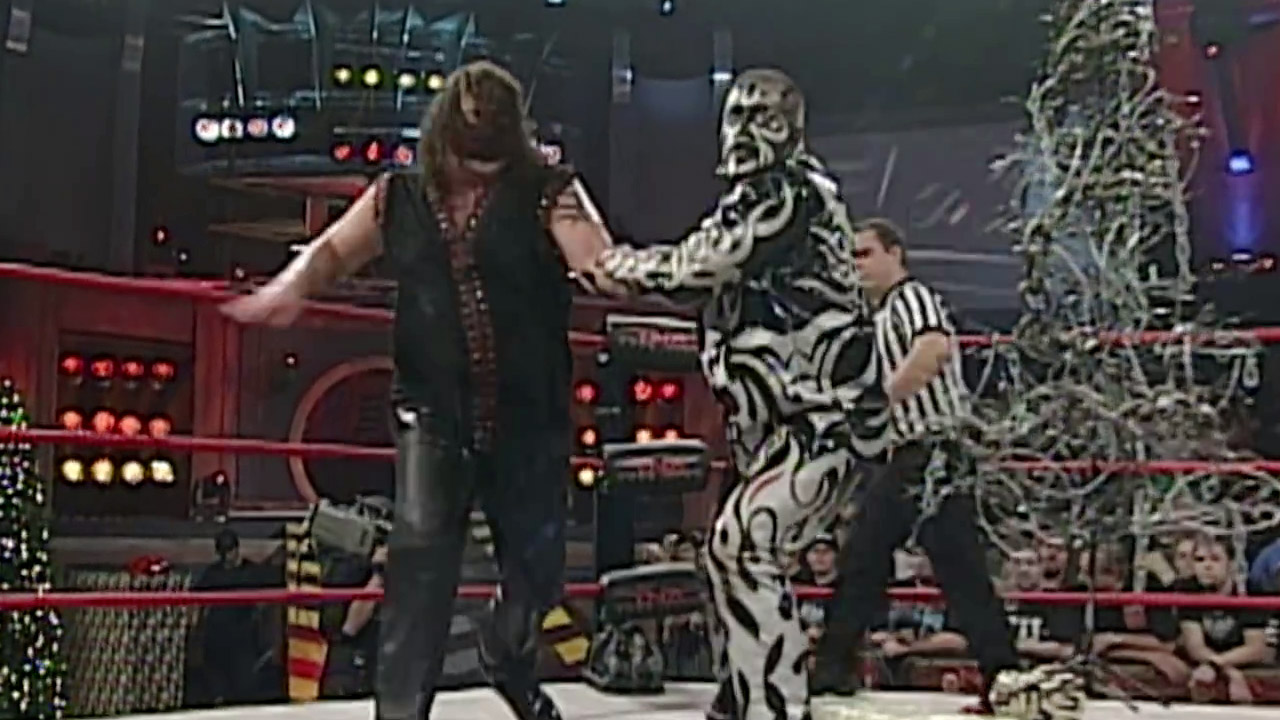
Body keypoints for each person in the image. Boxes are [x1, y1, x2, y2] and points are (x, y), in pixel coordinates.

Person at [222, 60, 613, 720]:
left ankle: (506, 651)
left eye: (491, 158)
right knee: (419, 562)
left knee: (538, 571)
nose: (479, 175)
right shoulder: (396, 197)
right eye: (469, 156)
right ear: (444, 139)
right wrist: (287, 289)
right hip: (431, 411)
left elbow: (596, 256)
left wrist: (647, 271)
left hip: (529, 416)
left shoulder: (550, 191)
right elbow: (333, 251)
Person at [590, 68, 890, 720]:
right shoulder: (752, 199)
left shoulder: (789, 195)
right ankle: (741, 696)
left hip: (824, 419)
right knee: (732, 553)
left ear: (793, 129)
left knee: (744, 545)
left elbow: (699, 265)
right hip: (782, 425)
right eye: (737, 116)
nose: (747, 132)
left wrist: (618, 263)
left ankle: (773, 708)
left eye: (765, 118)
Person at [812, 218, 1055, 715]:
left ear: (895, 254)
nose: (856, 265)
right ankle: (1002, 675)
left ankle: (835, 668)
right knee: (889, 560)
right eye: (851, 256)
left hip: (932, 452)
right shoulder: (878, 316)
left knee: (899, 559)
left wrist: (882, 399)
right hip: (911, 455)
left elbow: (934, 348)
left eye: (865, 254)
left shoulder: (912, 298)